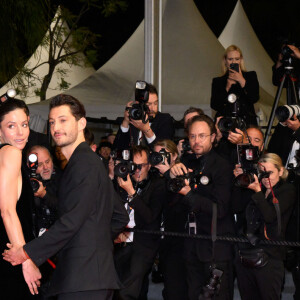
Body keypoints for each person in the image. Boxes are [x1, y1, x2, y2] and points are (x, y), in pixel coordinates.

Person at [3, 94, 129, 300]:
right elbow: (119, 216)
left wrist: (26, 252)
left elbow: (71, 222)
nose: (55, 128)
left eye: (63, 120)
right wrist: (92, 242)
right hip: (90, 278)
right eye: (52, 122)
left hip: (83, 279)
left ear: (82, 123)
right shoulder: (88, 162)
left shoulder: (84, 164)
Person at [170, 114, 235, 300]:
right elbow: (172, 206)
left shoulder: (222, 166)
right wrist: (171, 176)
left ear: (213, 137)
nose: (196, 141)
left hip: (216, 247)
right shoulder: (185, 164)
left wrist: (189, 194)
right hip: (190, 247)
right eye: (192, 136)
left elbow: (220, 209)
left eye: (202, 136)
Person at [235, 153, 296, 300]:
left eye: (270, 173)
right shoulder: (257, 188)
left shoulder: (287, 190)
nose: (266, 178)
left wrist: (257, 192)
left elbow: (270, 217)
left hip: (270, 257)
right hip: (247, 254)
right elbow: (236, 207)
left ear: (281, 171)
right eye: (263, 173)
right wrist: (239, 182)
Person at [0, 99, 41, 298]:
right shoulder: (11, 153)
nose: (20, 132)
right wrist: (26, 260)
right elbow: (7, 210)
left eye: (24, 124)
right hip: (13, 257)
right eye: (11, 126)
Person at [113, 145, 166, 300]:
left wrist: (132, 193)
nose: (137, 170)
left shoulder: (157, 185)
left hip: (143, 244)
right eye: (133, 166)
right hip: (119, 243)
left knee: (127, 292)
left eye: (141, 166)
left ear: (149, 165)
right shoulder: (121, 182)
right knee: (114, 289)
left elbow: (150, 217)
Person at [152, 139, 189, 300]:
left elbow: (180, 205)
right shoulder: (152, 178)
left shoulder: (182, 174)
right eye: (156, 155)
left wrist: (169, 175)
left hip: (180, 244)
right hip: (162, 243)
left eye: (164, 154)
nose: (160, 158)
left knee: (177, 291)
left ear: (174, 156)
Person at [113, 82, 174, 150]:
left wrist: (147, 130)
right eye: (148, 104)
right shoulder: (132, 120)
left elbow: (163, 152)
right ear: (138, 104)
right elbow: (117, 150)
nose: (152, 108)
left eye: (155, 103)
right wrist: (126, 122)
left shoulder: (164, 120)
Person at [211, 45, 259, 126]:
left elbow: (254, 98)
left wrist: (242, 81)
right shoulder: (218, 81)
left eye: (237, 59)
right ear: (225, 61)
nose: (234, 62)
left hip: (247, 122)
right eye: (230, 59)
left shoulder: (250, 76)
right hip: (226, 123)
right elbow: (215, 105)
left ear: (241, 60)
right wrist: (227, 87)